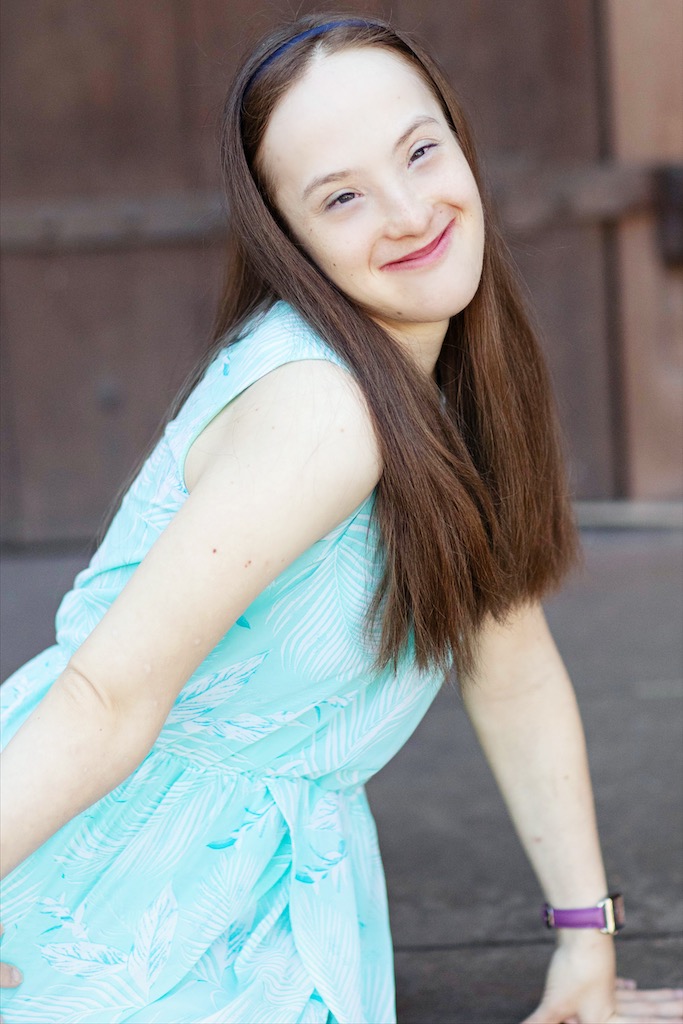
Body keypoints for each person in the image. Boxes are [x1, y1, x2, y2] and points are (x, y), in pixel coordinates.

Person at [0, 14, 681, 1024]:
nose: (407, 211)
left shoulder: (445, 382)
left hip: (263, 875)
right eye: (341, 197)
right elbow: (105, 694)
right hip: (115, 865)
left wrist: (586, 936)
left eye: (419, 151)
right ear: (293, 243)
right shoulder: (327, 411)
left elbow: (510, 661)